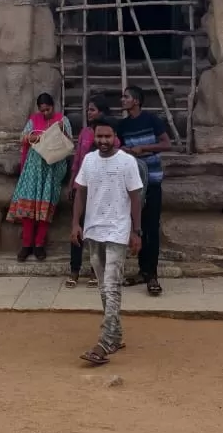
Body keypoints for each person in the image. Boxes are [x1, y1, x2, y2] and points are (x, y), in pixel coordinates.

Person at [71, 117, 143, 366]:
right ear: (94, 137)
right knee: (103, 287)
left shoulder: (127, 162)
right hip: (93, 230)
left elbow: (136, 198)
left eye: (107, 137)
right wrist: (75, 224)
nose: (103, 141)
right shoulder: (89, 160)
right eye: (99, 137)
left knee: (112, 286)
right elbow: (80, 191)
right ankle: (116, 334)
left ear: (115, 137)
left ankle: (105, 342)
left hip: (117, 231)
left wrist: (136, 231)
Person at [116, 85, 171, 296]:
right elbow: (116, 146)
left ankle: (153, 275)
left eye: (126, 97)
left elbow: (167, 144)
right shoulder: (122, 125)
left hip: (153, 181)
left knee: (151, 229)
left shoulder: (152, 120)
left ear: (136, 101)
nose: (122, 100)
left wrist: (145, 149)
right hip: (132, 184)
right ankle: (142, 271)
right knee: (136, 227)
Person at [7, 92, 72, 262]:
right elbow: (23, 138)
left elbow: (68, 142)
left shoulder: (62, 120)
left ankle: (39, 245)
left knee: (46, 208)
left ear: (53, 106)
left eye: (48, 109)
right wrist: (39, 137)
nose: (45, 113)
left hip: (51, 169)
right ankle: (26, 245)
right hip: (33, 169)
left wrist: (57, 133)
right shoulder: (33, 120)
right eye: (42, 110)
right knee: (28, 209)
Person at [66, 94, 119, 288]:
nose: (88, 113)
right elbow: (78, 160)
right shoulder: (85, 133)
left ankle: (95, 270)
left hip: (102, 189)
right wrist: (73, 182)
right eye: (88, 109)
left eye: (92, 109)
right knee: (76, 228)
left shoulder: (112, 135)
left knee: (97, 230)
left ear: (102, 112)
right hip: (83, 185)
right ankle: (74, 269)